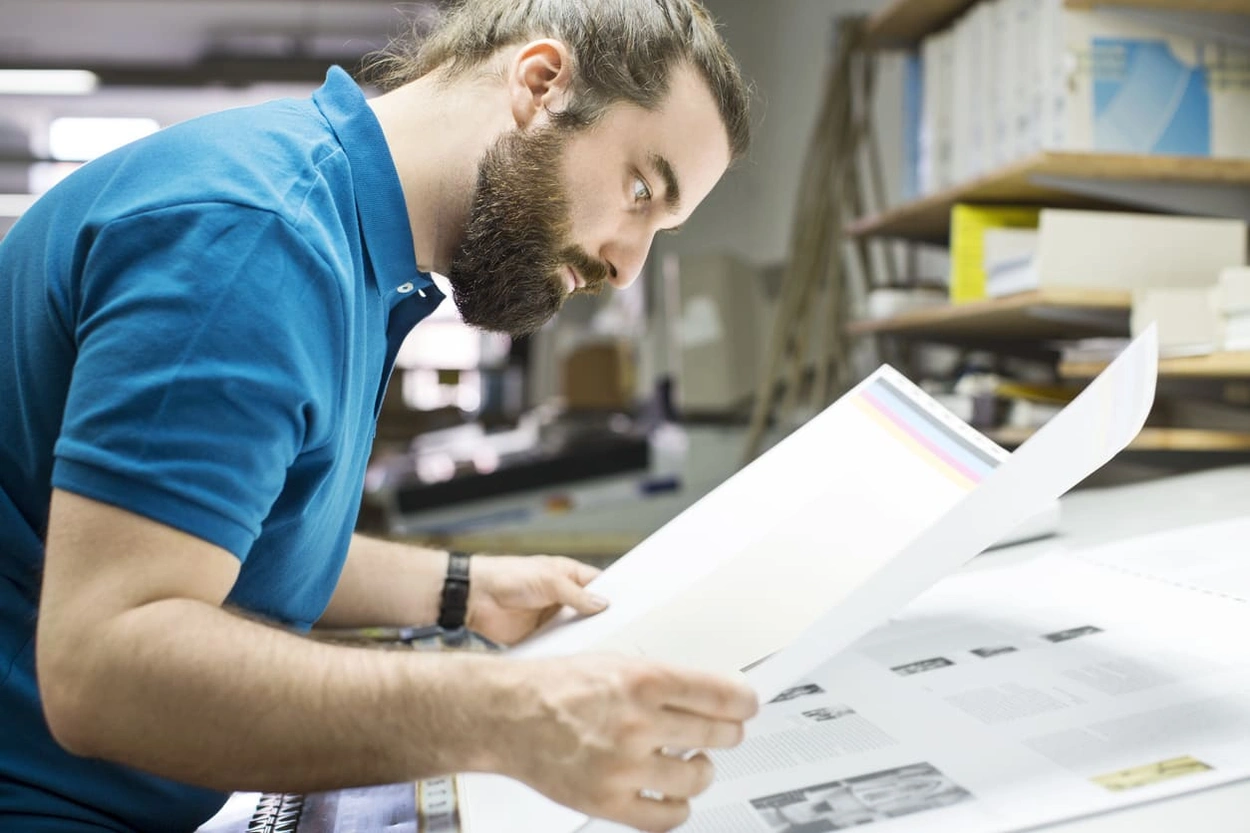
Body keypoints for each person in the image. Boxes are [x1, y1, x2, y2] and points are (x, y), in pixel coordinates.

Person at [0, 0, 759, 831]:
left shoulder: (347, 238)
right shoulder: (257, 239)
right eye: (641, 191)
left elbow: (218, 531)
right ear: (541, 85)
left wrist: (462, 589)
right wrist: (509, 713)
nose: (626, 263)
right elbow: (101, 668)